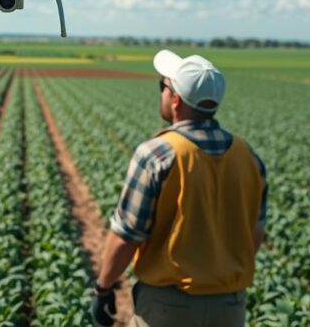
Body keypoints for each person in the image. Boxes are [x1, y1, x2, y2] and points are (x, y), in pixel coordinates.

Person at [89, 50, 268, 327]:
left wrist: (103, 288)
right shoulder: (248, 156)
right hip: (229, 306)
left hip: (168, 307)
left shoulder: (157, 154)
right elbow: (255, 232)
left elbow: (127, 235)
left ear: (175, 100)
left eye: (163, 86)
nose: (161, 92)